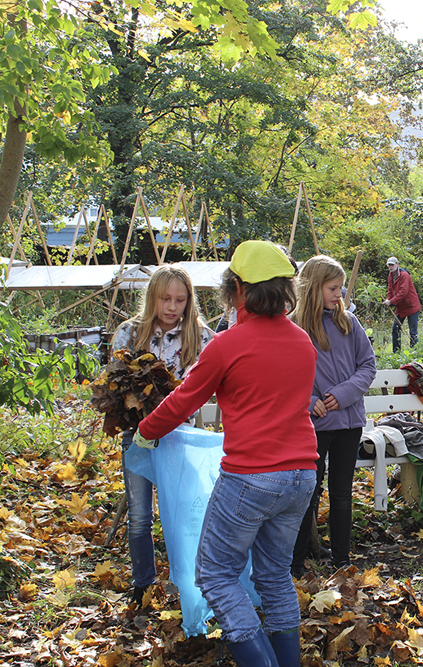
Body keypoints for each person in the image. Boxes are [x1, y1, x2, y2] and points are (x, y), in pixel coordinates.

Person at [131, 241, 318, 667]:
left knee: (215, 574)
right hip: (301, 475)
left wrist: (145, 431)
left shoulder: (229, 345)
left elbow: (184, 400)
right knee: (273, 575)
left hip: (251, 477)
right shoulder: (302, 341)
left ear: (236, 289)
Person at [109, 264, 213, 607]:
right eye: (165, 298)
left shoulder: (201, 336)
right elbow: (115, 382)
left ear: (189, 301)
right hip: (137, 435)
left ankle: (190, 580)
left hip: (183, 435)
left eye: (179, 300)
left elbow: (208, 386)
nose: (171, 307)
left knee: (186, 511)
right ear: (152, 297)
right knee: (140, 513)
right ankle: (143, 583)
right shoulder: (130, 332)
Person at [290, 255, 376, 575]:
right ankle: (295, 565)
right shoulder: (294, 326)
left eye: (340, 288)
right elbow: (285, 375)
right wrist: (308, 400)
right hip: (313, 425)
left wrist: (341, 396)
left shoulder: (348, 323)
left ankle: (342, 561)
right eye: (332, 288)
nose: (339, 294)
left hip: (348, 423)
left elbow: (367, 365)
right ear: (313, 287)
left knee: (341, 495)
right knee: (307, 495)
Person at [383, 256, 421, 353]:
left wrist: (391, 301)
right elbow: (390, 291)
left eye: (392, 264)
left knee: (413, 332)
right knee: (395, 329)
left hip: (411, 306)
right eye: (389, 265)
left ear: (397, 265)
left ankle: (414, 353)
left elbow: (403, 292)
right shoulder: (390, 276)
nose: (391, 267)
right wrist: (388, 299)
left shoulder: (404, 275)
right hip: (400, 307)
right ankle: (396, 353)